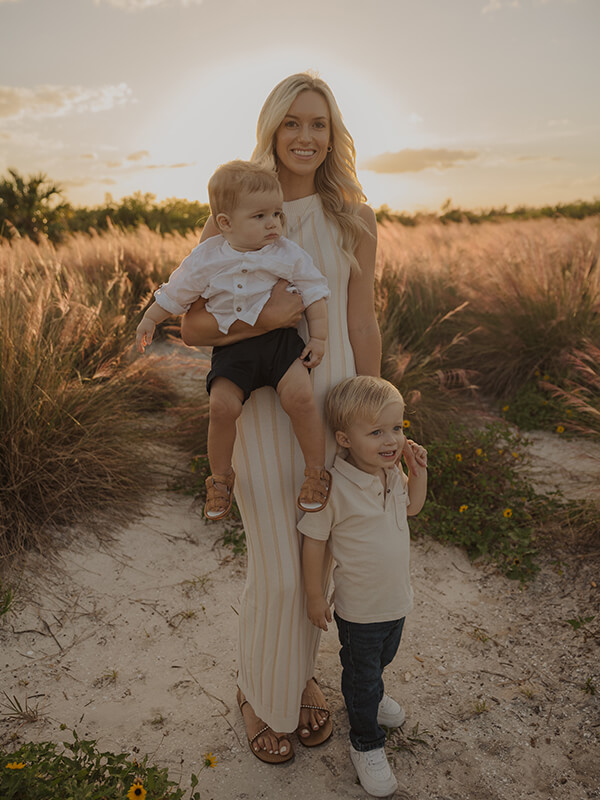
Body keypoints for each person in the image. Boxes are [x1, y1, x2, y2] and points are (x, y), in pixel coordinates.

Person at [180, 72, 419, 764]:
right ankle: (259, 692)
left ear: (333, 133)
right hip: (261, 405)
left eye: (318, 123)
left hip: (336, 406)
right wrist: (272, 315)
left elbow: (361, 320)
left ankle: (302, 677)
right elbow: (193, 325)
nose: (306, 137)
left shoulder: (354, 215)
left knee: (327, 561)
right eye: (292, 123)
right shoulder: (237, 209)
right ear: (272, 130)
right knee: (281, 570)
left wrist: (378, 413)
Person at [135, 160, 332, 519]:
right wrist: (150, 318)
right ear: (225, 223)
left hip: (279, 343)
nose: (273, 223)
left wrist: (318, 337)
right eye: (259, 216)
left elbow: (314, 291)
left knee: (301, 398)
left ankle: (316, 472)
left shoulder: (287, 253)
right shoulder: (206, 257)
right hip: (232, 347)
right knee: (222, 407)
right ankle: (221, 479)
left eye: (277, 213)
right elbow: (177, 292)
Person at [298, 376, 427, 797]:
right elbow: (315, 539)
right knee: (361, 674)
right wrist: (315, 595)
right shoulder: (334, 486)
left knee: (382, 661)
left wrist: (416, 470)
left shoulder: (391, 474)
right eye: (376, 432)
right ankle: (366, 741)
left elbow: (412, 508)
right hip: (360, 610)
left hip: (395, 601)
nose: (391, 440)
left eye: (397, 428)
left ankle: (372, 696)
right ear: (344, 439)